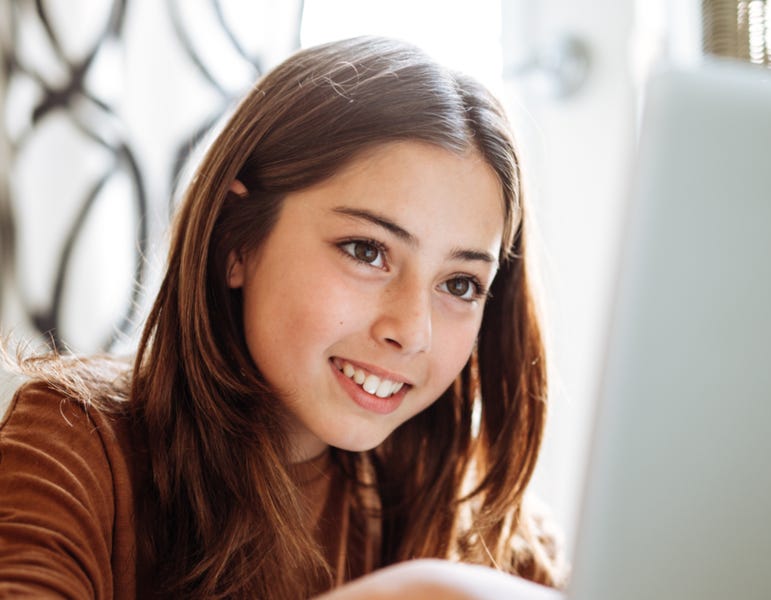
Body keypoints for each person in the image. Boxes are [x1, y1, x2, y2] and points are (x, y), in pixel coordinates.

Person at [0, 36, 566, 599]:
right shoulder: (75, 443)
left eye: (460, 284)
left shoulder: (488, 537)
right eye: (366, 251)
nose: (411, 330)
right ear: (235, 240)